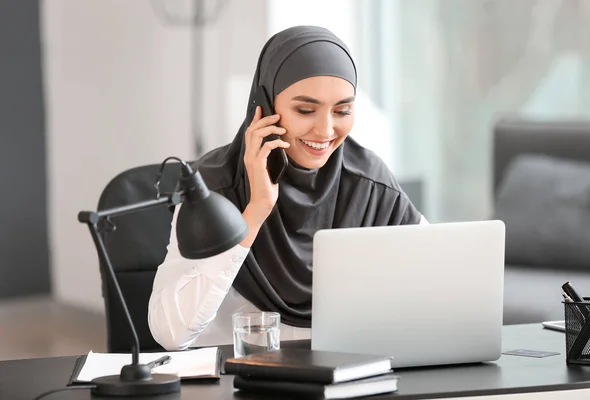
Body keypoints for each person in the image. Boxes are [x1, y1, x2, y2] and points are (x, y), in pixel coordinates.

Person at [148, 25, 426, 351]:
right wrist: (254, 212)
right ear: (264, 105)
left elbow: (438, 283)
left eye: (342, 110)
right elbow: (171, 333)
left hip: (344, 375)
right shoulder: (213, 188)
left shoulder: (369, 184)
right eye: (305, 110)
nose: (325, 131)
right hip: (238, 383)